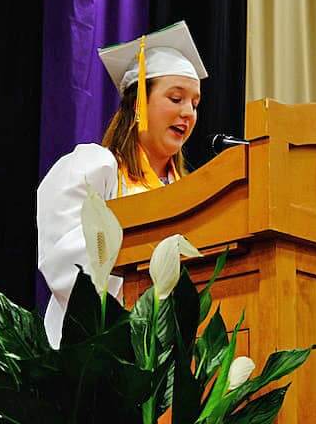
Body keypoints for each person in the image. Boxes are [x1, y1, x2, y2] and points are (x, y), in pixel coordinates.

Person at [37, 22, 208, 348]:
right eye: (175, 98)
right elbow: (65, 264)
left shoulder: (194, 193)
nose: (187, 112)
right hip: (97, 350)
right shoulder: (97, 170)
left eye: (195, 104)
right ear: (137, 104)